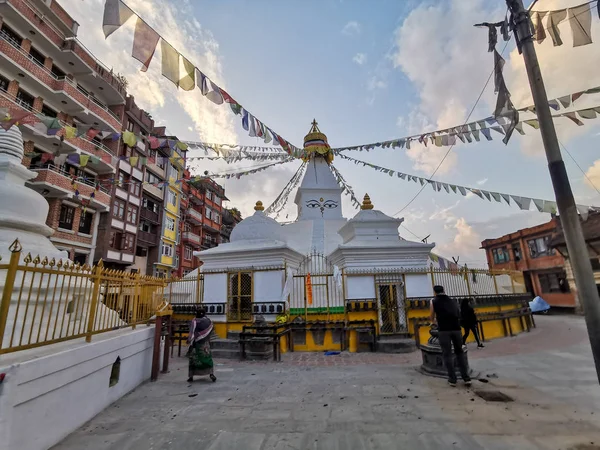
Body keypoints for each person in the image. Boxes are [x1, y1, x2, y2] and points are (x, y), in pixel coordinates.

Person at [430, 285, 472, 387]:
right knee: (459, 352)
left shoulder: (433, 301)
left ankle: (452, 379)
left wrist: (432, 322)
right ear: (444, 290)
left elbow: (432, 315)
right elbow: (458, 312)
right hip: (456, 329)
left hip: (444, 330)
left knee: (447, 354)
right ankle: (466, 378)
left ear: (435, 292)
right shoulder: (452, 300)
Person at [186, 308, 216, 382]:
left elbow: (191, 332)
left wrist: (189, 340)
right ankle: (211, 374)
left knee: (193, 360)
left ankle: (191, 376)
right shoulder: (208, 321)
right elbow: (212, 329)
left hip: (196, 343)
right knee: (207, 358)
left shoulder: (194, 321)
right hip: (205, 343)